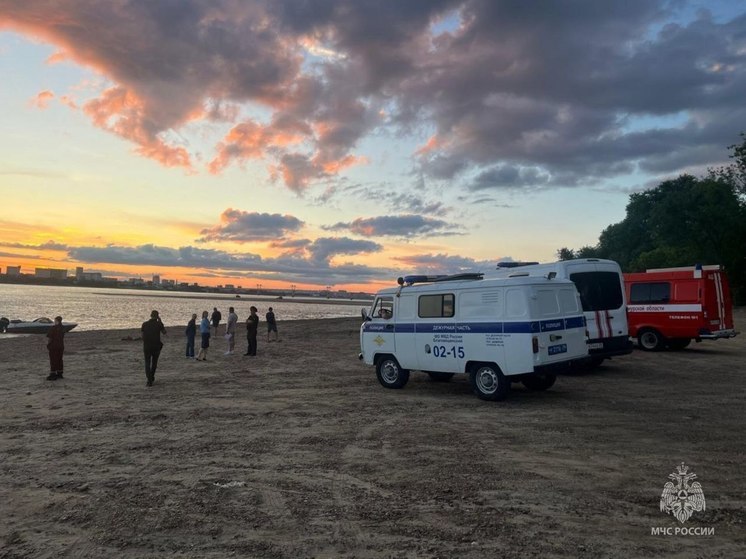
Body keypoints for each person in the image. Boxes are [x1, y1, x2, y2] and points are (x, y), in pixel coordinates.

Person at [141, 310, 166, 387]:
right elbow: (164, 332)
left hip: (147, 346)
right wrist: (160, 321)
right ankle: (151, 377)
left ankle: (149, 380)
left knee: (147, 363)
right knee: (154, 363)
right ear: (157, 316)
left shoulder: (144, 324)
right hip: (156, 346)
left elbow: (142, 336)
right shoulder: (158, 324)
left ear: (150, 315)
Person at [46, 315, 65, 381]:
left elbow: (50, 338)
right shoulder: (62, 328)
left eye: (55, 320)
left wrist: (48, 344)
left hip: (54, 346)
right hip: (61, 346)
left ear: (57, 321)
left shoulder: (53, 328)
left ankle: (53, 374)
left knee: (53, 360)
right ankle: (60, 373)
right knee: (59, 359)